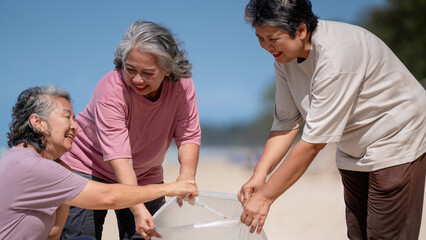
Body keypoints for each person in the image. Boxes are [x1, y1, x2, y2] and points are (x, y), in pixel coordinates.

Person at [238, 0, 426, 239]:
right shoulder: (284, 59)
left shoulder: (335, 56)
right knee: (357, 232)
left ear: (302, 30)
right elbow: (286, 123)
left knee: (385, 233)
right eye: (260, 38)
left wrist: (265, 197)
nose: (266, 46)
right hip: (353, 142)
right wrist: (259, 175)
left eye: (272, 38)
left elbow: (314, 144)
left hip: (396, 134)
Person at [59, 20, 201, 240]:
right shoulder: (110, 89)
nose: (137, 79)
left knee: (148, 235)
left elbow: (188, 135)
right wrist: (137, 208)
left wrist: (186, 177)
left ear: (168, 69)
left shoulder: (182, 85)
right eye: (130, 69)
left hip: (146, 174)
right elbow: (120, 158)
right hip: (88, 168)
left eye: (148, 73)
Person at [0, 85, 197, 240]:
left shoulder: (19, 158)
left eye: (75, 119)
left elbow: (53, 234)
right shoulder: (33, 167)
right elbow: (108, 197)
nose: (75, 126)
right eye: (66, 117)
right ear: (37, 122)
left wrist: (66, 174)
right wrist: (169, 189)